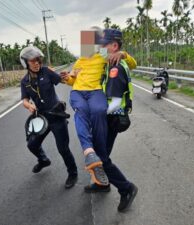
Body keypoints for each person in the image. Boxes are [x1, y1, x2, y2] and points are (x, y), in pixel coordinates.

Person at [61, 27, 138, 211]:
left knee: (101, 157)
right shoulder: (91, 59)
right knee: (99, 154)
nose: (98, 46)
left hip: (110, 117)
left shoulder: (111, 60)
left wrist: (123, 53)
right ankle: (102, 184)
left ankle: (127, 188)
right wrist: (68, 79)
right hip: (105, 114)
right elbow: (76, 77)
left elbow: (131, 65)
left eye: (102, 43)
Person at [20, 46, 78, 189]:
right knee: (32, 144)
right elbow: (25, 100)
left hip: (57, 116)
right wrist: (28, 106)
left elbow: (63, 80)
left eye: (38, 60)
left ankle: (73, 173)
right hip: (41, 118)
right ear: (26, 63)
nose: (36, 63)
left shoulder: (47, 72)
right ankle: (43, 160)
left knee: (63, 149)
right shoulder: (25, 81)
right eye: (32, 61)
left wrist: (71, 75)